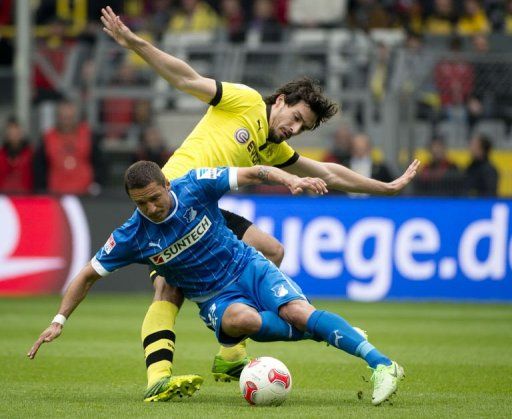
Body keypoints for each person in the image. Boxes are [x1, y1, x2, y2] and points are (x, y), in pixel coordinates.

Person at [100, 5, 420, 401]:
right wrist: (134, 43)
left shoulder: (272, 148)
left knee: (272, 249)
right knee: (168, 290)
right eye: (296, 118)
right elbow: (186, 78)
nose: (294, 129)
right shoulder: (246, 101)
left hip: (208, 211)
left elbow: (330, 173)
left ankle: (231, 350)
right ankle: (159, 378)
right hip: (174, 202)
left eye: (303, 127)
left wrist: (386, 188)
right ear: (281, 100)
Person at [28, 161, 405, 406]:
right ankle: (329, 331)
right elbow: (87, 275)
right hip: (213, 299)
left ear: (167, 185)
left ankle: (383, 364)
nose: (152, 209)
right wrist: (58, 320)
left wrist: (289, 177)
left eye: (155, 199)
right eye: (141, 204)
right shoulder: (133, 235)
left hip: (247, 266)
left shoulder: (194, 186)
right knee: (244, 322)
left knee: (296, 311)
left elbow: (255, 172)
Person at [34, 100, 105, 195]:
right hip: (56, 194)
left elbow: (99, 162)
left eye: (69, 118)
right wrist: (43, 188)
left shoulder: (88, 135)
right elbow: (39, 167)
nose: (66, 122)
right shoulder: (48, 138)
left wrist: (97, 183)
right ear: (57, 118)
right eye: (63, 118)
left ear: (75, 118)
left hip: (85, 195)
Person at [0, 117, 34, 193]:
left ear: (21, 133)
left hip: (25, 198)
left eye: (16, 132)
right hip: (4, 200)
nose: (13, 136)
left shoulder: (30, 154)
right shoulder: (1, 155)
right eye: (10, 132)